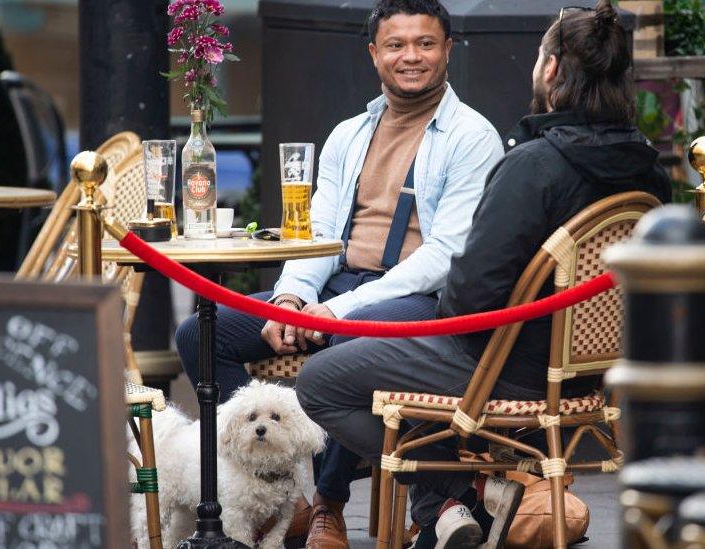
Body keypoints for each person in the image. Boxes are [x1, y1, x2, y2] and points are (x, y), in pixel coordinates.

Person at [295, 1, 672, 547]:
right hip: (593, 370)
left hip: (503, 364)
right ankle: (456, 502)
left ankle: (465, 487)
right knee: (367, 339)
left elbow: (471, 296)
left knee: (320, 380)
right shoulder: (649, 169)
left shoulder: (535, 165)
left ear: (550, 70)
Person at [174, 0, 503, 547]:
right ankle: (289, 487)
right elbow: (318, 229)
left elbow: (446, 254)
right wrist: (293, 297)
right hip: (337, 284)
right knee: (200, 332)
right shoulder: (349, 133)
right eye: (396, 45)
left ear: (447, 49)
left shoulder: (472, 136)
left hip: (419, 295)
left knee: (344, 343)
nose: (411, 57)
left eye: (425, 43)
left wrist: (336, 311)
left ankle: (329, 501)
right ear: (375, 54)